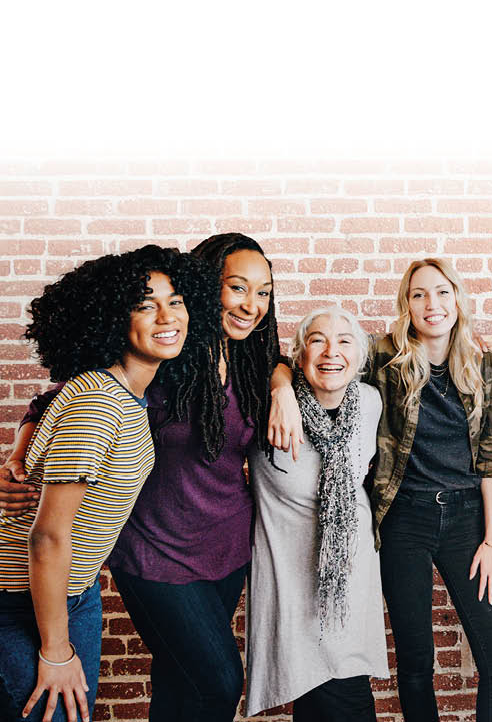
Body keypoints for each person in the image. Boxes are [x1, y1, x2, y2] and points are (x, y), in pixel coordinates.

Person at [1, 232, 290, 722]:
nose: (251, 305)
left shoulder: (247, 360)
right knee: (218, 681)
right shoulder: (147, 369)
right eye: (237, 287)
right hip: (151, 551)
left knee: (183, 682)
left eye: (263, 292)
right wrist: (20, 452)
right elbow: (62, 404)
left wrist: (281, 383)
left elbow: (287, 363)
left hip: (220, 548)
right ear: (205, 289)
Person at [366, 258, 492, 721]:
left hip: (467, 519)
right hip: (404, 517)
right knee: (415, 660)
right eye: (419, 294)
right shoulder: (382, 358)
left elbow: (491, 456)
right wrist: (283, 389)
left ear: (457, 299)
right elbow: (310, 360)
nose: (432, 303)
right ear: (406, 305)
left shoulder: (481, 363)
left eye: (442, 292)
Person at [244, 306, 388, 720]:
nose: (331, 352)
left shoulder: (370, 404)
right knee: (315, 691)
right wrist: (281, 388)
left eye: (345, 341)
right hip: (290, 576)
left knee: (344, 686)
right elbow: (258, 359)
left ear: (359, 359)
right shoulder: (269, 406)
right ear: (299, 354)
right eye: (318, 340)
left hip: (351, 575)